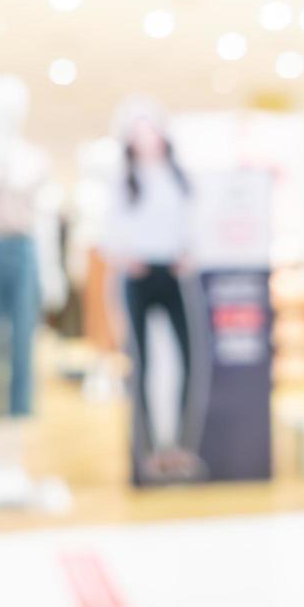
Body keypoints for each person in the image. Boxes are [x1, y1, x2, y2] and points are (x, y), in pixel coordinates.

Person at [105, 99, 204, 483]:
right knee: (142, 362)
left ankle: (179, 445)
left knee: (186, 357)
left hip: (173, 273)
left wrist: (189, 253)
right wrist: (125, 257)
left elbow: (194, 224)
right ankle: (147, 450)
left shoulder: (177, 178)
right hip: (139, 274)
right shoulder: (123, 182)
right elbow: (110, 231)